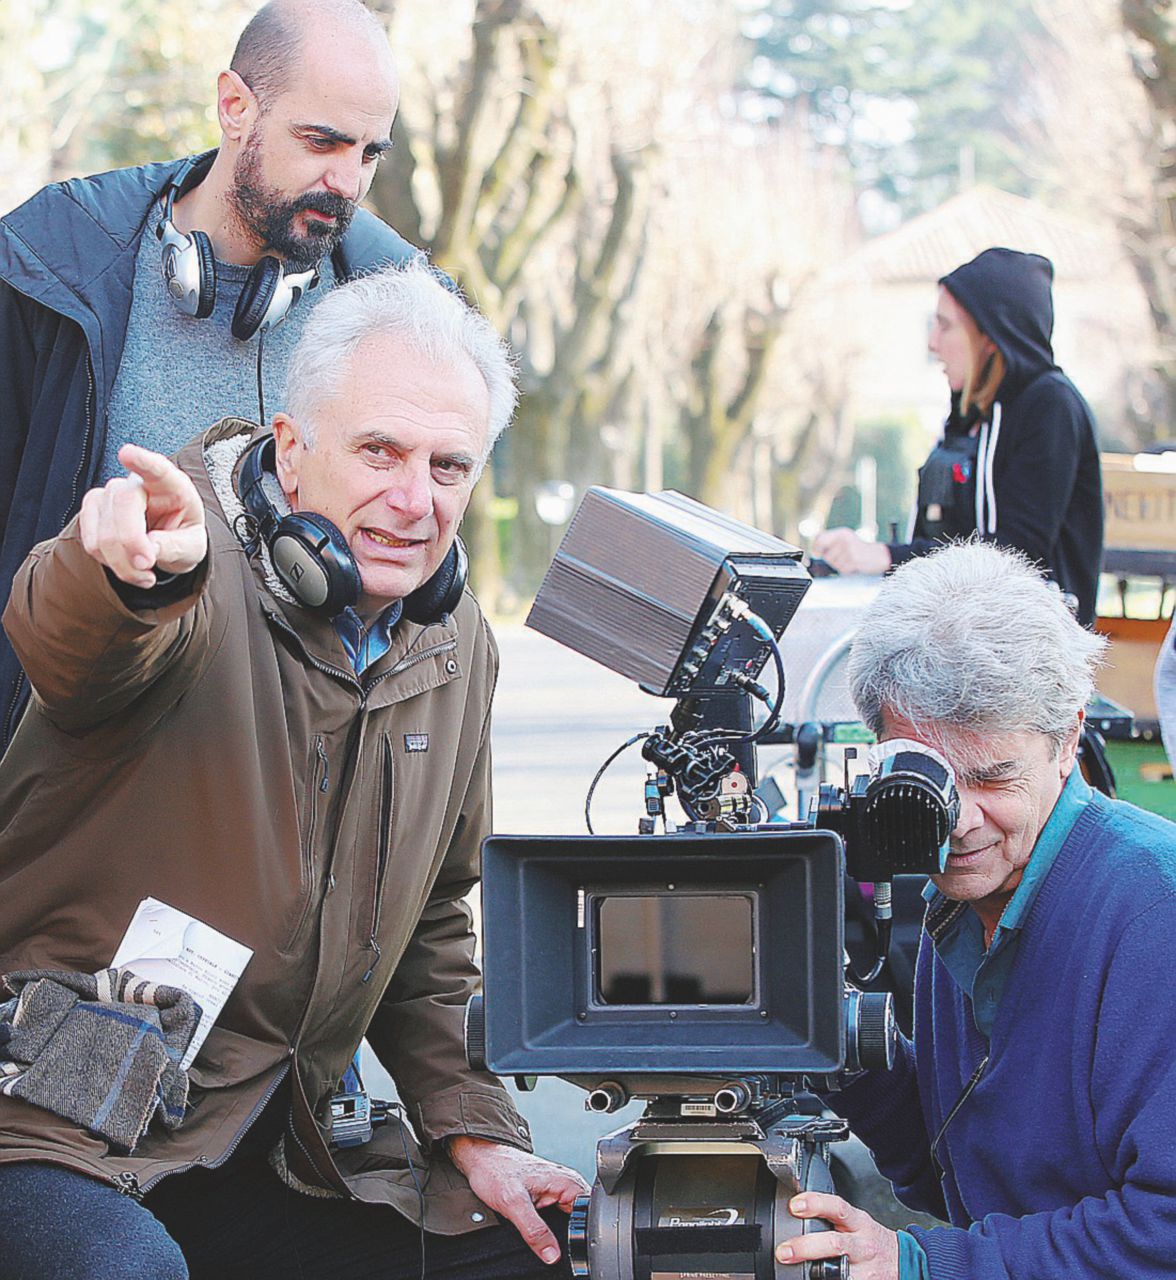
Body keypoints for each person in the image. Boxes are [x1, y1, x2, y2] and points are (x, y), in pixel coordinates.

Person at [0, 262, 587, 1280]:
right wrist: (119, 578)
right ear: (292, 448)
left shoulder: (456, 646)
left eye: (449, 466)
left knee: (532, 1250)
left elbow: (433, 923)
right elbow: (71, 644)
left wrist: (470, 1126)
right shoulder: (188, 567)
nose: (414, 499)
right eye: (379, 451)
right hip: (54, 1125)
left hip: (279, 1140)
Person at [0, 0, 421, 752]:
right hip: (76, 777)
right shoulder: (51, 270)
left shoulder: (401, 307)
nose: (347, 181)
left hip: (295, 784)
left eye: (368, 153)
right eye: (321, 140)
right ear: (235, 107)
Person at [772, 541, 1176, 1279]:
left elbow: (1164, 1230)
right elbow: (953, 1167)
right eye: (927, 778)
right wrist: (841, 1040)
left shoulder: (1155, 911)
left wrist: (924, 1264)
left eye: (993, 777)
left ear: (1069, 740)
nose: (958, 820)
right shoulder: (964, 896)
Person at [813, 248, 1104, 626]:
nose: (933, 344)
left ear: (990, 334)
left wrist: (886, 557)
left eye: (946, 326)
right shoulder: (971, 416)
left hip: (1029, 658)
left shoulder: (1050, 405)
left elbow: (1013, 558)